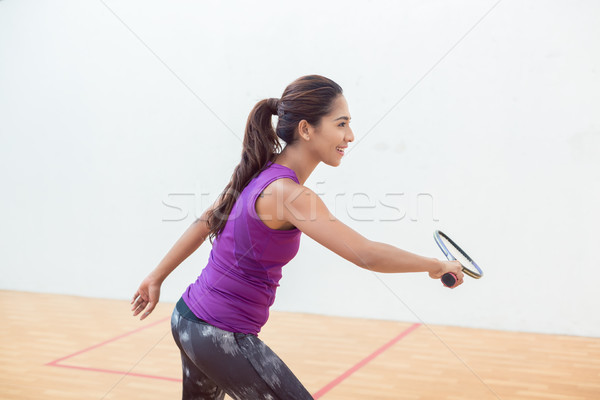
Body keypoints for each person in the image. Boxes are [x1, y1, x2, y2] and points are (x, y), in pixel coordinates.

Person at [131, 74, 464, 399]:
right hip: (220, 334)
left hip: (188, 318)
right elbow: (365, 253)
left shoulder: (260, 171)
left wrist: (156, 276)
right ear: (306, 129)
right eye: (341, 124)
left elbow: (206, 219)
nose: (350, 136)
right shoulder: (288, 194)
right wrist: (434, 265)